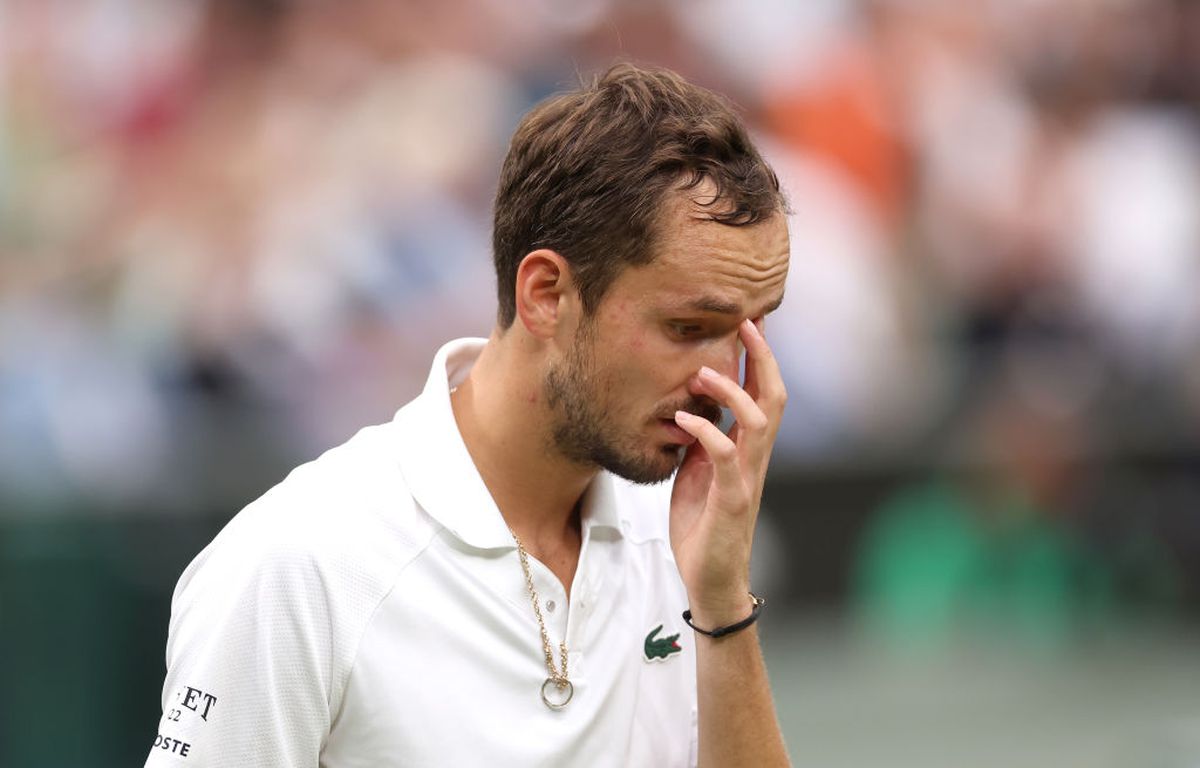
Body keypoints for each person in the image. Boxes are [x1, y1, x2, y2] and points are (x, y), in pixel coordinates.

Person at [145, 62, 792, 767]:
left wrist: (722, 605)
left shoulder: (690, 541)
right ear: (546, 294)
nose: (725, 381)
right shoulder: (295, 564)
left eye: (752, 332)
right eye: (689, 327)